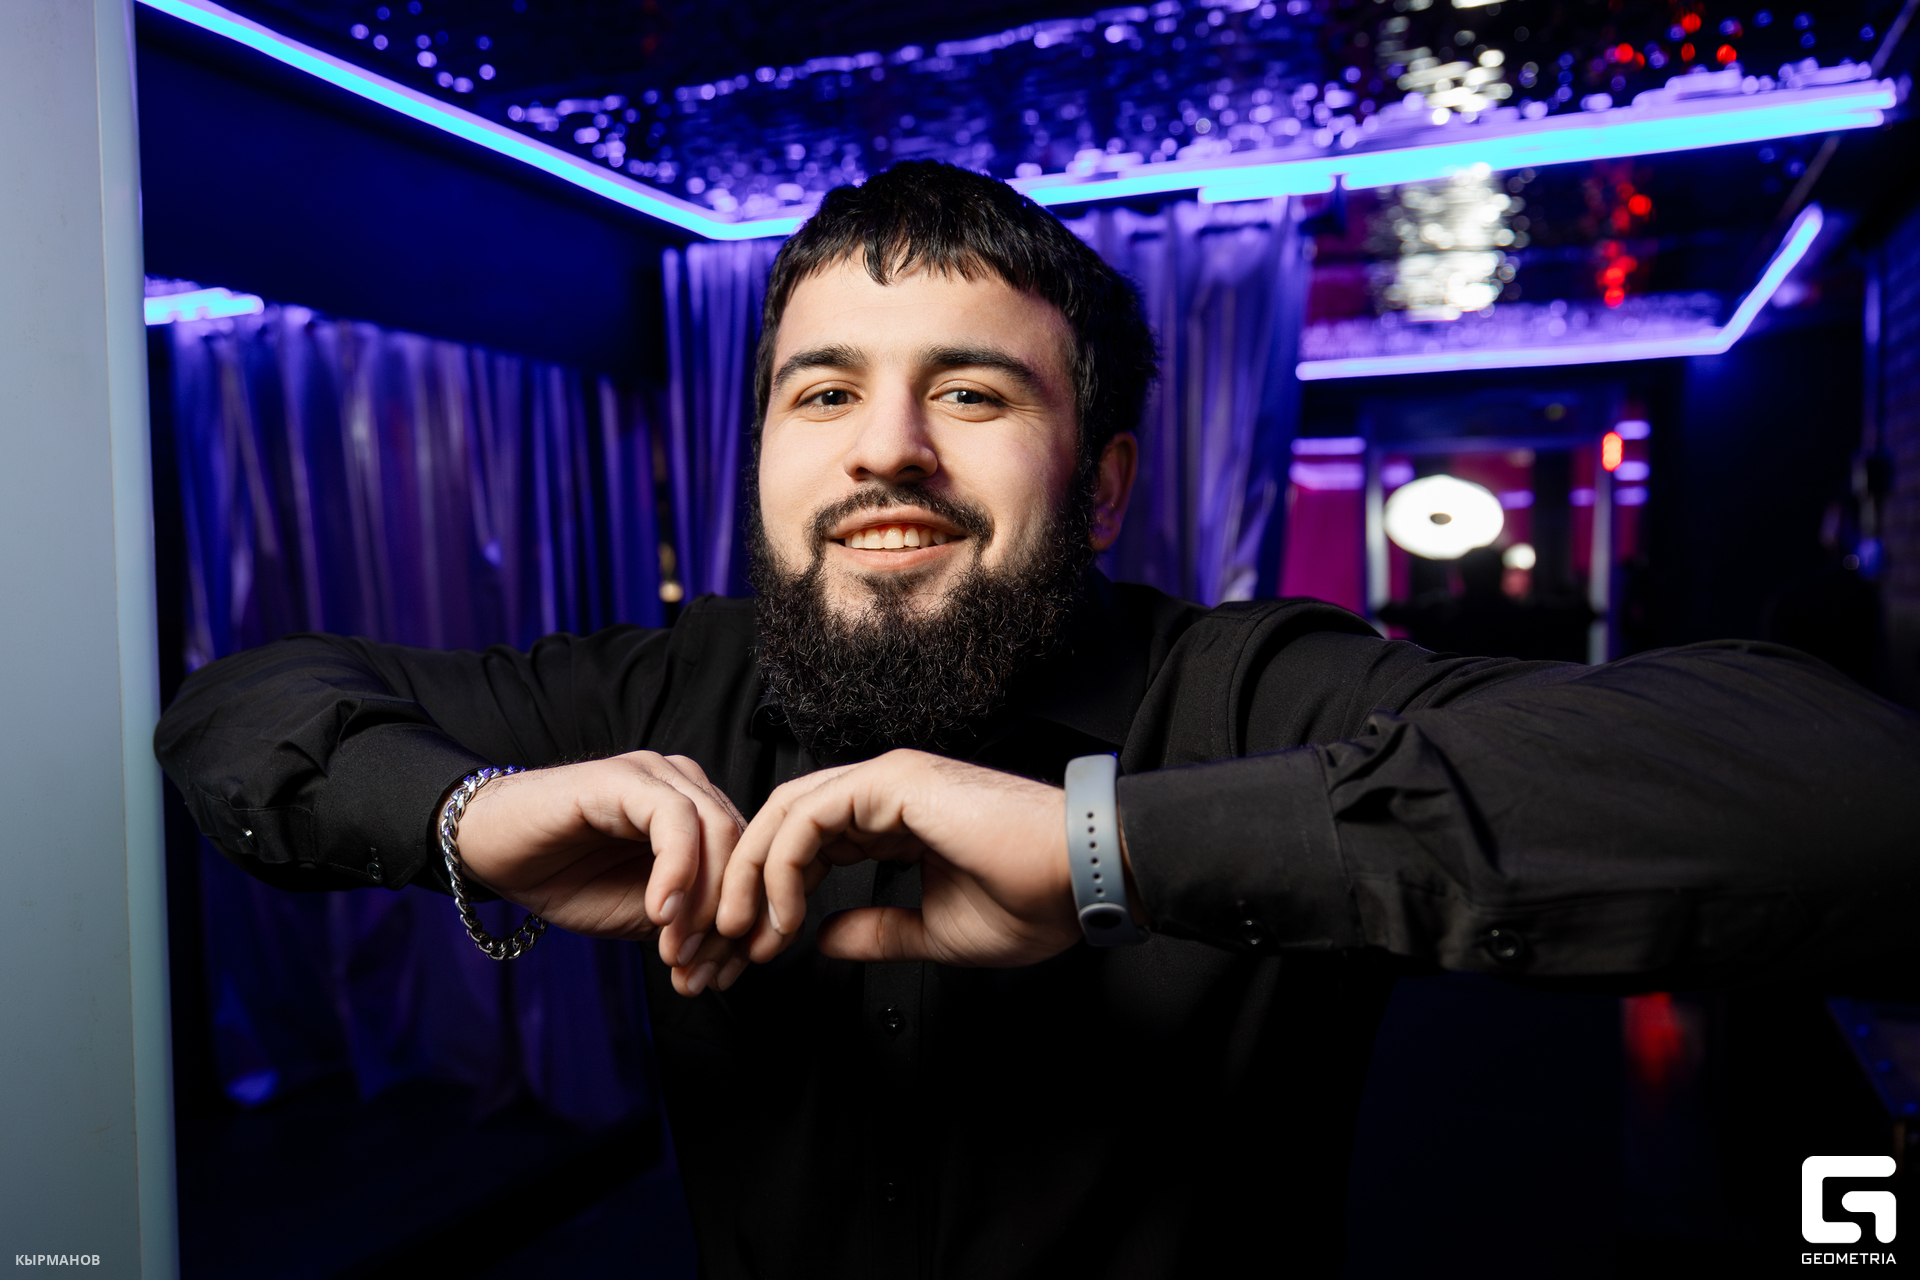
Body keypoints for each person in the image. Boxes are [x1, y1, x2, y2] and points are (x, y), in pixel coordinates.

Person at [156, 161, 1920, 1278]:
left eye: (974, 393)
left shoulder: (1248, 692)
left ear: (1104, 485)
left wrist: (1106, 847)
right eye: (823, 393)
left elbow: (1855, 799)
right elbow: (239, 715)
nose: (885, 448)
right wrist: (467, 818)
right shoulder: (655, 696)